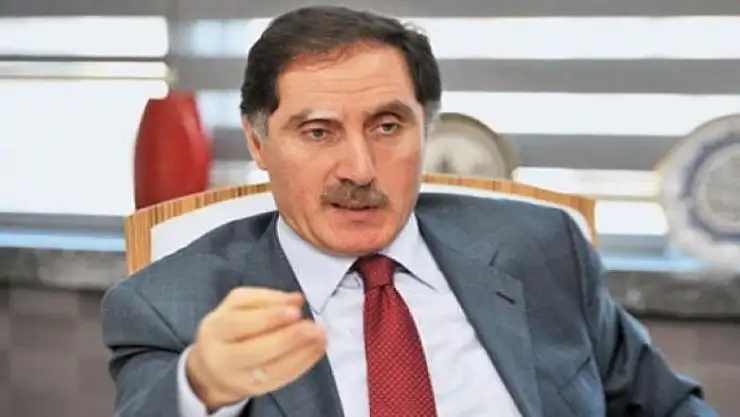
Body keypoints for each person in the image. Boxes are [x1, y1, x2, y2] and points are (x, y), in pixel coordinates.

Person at [100, 5, 717, 417]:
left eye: (388, 126)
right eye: (317, 132)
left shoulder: (541, 246)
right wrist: (204, 384)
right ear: (258, 143)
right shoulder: (169, 302)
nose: (359, 169)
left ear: (428, 128)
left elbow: (666, 405)